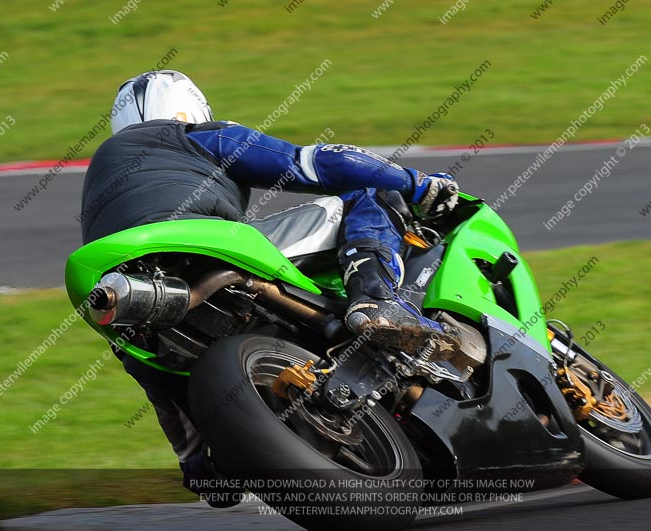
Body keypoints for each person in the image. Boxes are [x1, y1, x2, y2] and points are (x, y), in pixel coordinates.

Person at [79, 69, 461, 503]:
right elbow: (318, 163)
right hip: (203, 245)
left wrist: (195, 461)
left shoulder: (101, 181)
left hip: (122, 284)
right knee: (367, 195)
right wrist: (418, 185)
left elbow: (154, 380)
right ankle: (375, 301)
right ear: (191, 110)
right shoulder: (194, 136)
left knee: (140, 352)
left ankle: (207, 456)